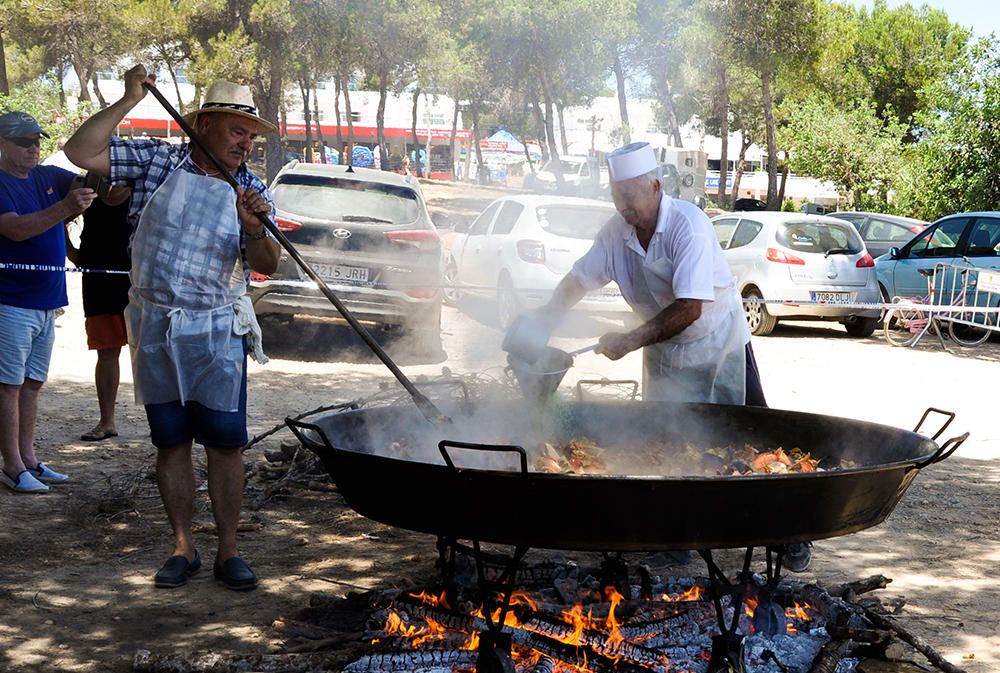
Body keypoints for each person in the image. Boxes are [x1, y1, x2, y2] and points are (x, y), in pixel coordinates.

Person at [512, 142, 809, 571]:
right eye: (616, 194)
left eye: (629, 195)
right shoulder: (615, 232)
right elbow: (579, 279)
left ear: (655, 186)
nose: (622, 204)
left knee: (752, 438)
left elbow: (690, 307)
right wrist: (543, 320)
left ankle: (790, 533)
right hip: (663, 348)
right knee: (666, 442)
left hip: (718, 343)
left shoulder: (689, 225)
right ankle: (676, 538)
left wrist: (629, 340)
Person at [65, 67, 281, 591]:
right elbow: (81, 151)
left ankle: (229, 552)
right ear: (203, 124)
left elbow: (269, 262)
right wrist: (127, 99)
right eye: (236, 131)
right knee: (171, 442)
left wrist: (255, 229)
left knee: (226, 445)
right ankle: (184, 547)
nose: (245, 144)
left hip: (216, 332)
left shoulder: (250, 189)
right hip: (155, 326)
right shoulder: (157, 159)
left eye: (251, 136)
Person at [0, 111, 96, 493]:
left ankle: (28, 458)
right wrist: (66, 209)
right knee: (7, 386)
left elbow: (92, 182)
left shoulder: (46, 176)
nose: (32, 148)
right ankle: (11, 466)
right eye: (23, 142)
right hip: (10, 300)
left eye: (36, 141)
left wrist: (100, 180)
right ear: (2, 144)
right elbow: (15, 230)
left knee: (32, 385)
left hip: (48, 301)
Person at [75, 181, 133, 442]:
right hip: (98, 285)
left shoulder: (143, 189)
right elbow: (59, 216)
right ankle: (107, 421)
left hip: (138, 283)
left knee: (152, 352)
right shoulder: (88, 191)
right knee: (107, 353)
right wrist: (70, 251)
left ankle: (166, 424)